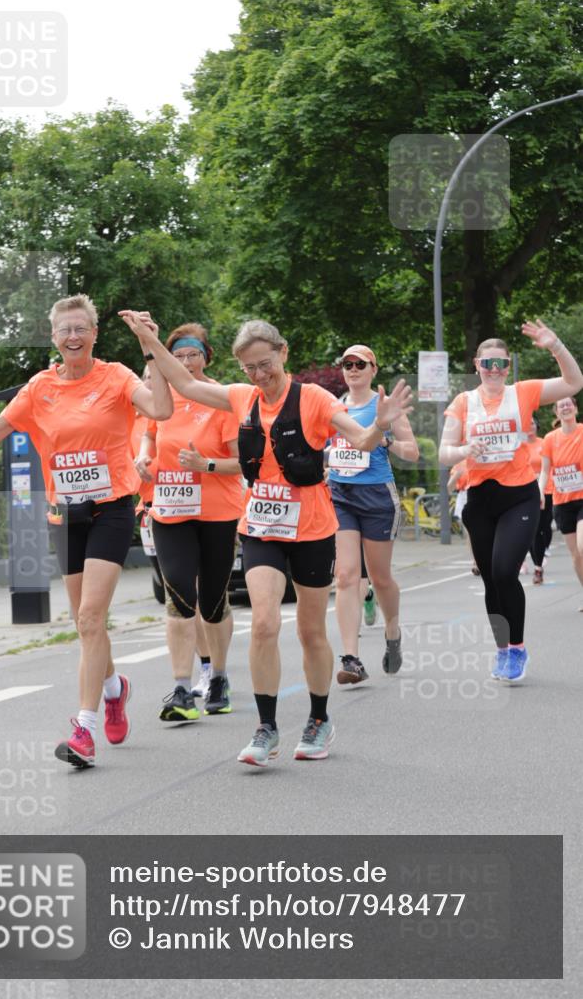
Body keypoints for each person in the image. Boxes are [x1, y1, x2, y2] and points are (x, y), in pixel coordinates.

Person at [119, 311, 413, 767]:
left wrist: (380, 425)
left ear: (283, 353)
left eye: (265, 364)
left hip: (313, 529)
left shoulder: (312, 399)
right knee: (264, 623)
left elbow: (359, 441)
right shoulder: (242, 398)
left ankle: (318, 719)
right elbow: (187, 383)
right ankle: (267, 727)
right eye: (249, 368)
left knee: (312, 631)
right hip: (260, 527)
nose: (259, 375)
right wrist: (148, 341)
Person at [0, 293, 173, 768]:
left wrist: (150, 345)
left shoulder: (116, 376)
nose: (73, 337)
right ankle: (115, 689)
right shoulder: (39, 387)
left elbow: (159, 410)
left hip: (112, 508)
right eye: (64, 330)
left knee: (92, 618)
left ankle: (84, 730)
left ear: (95, 333)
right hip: (66, 515)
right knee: (85, 623)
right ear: (54, 337)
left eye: (81, 328)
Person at [438, 320, 583, 683]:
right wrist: (463, 450)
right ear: (476, 365)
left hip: (519, 497)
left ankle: (517, 648)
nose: (494, 370)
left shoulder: (524, 392)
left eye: (501, 363)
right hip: (480, 500)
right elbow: (443, 453)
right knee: (491, 580)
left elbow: (574, 383)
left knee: (505, 571)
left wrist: (556, 345)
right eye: (487, 364)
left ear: (508, 367)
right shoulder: (463, 402)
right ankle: (502, 649)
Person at [134, 323, 245, 722]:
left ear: (206, 357)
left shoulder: (222, 398)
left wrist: (206, 464)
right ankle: (181, 689)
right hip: (170, 510)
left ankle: (217, 676)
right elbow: (149, 436)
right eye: (177, 356)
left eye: (192, 355)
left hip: (217, 511)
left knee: (213, 602)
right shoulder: (160, 398)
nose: (184, 362)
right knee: (179, 597)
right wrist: (143, 459)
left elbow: (243, 461)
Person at [328, 345, 418, 684]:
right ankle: (351, 659)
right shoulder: (333, 407)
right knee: (347, 576)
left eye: (360, 364)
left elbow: (412, 452)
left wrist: (386, 442)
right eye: (347, 364)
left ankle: (393, 633)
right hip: (341, 495)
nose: (352, 369)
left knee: (380, 578)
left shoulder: (385, 407)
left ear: (373, 369)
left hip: (378, 496)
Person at [539, 396, 583, 604]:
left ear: (575, 409)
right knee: (576, 556)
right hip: (562, 502)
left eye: (569, 404)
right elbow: (545, 471)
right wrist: (540, 491)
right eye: (561, 406)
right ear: (556, 413)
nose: (565, 408)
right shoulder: (549, 439)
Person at [526, 417, 552, 584]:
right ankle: (537, 566)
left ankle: (538, 565)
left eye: (532, 423)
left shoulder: (544, 443)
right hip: (525, 492)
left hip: (545, 490)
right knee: (530, 530)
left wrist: (539, 477)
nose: (530, 426)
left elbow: (549, 467)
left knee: (542, 528)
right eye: (526, 423)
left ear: (537, 426)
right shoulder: (518, 445)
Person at [447, 460, 479, 575]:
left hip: (482, 495)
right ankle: (476, 561)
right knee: (470, 533)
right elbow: (449, 488)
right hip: (465, 497)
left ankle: (486, 558)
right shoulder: (458, 465)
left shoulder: (482, 460)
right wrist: (457, 475)